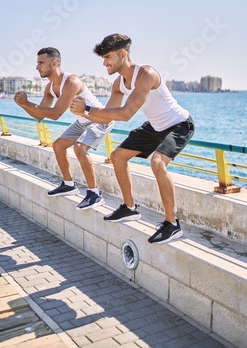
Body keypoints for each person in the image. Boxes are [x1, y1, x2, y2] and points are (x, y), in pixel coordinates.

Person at [70, 34, 195, 244]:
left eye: (107, 57)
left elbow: (126, 114)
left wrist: (88, 109)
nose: (104, 62)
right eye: (103, 58)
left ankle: (172, 225)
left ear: (122, 54)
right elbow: (108, 113)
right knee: (118, 156)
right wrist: (83, 113)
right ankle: (129, 208)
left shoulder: (146, 74)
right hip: (155, 127)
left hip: (179, 124)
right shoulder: (119, 83)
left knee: (157, 163)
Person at [14, 47, 114, 210]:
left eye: (41, 63)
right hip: (83, 121)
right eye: (37, 63)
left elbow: (55, 114)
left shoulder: (71, 82)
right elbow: (40, 116)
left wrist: (27, 103)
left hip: (99, 119)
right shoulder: (50, 88)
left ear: (54, 63)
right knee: (58, 145)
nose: (37, 67)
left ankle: (94, 194)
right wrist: (24, 106)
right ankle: (69, 185)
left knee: (80, 148)